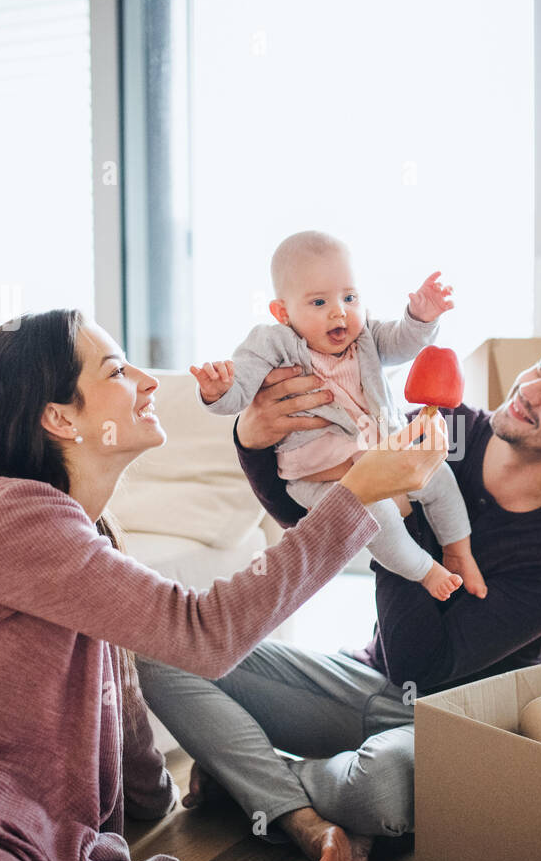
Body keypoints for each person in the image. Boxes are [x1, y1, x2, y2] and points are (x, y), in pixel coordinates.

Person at [0, 308, 447, 861]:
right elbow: (203, 634)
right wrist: (354, 494)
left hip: (58, 850)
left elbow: (119, 683)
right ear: (60, 417)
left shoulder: (78, 529)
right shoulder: (4, 513)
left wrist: (161, 795)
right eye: (118, 370)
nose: (149, 383)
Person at [137, 322, 541, 861]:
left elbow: (425, 664)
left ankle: (243, 776)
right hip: (360, 680)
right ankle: (296, 813)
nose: (531, 390)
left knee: (377, 787)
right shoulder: (446, 428)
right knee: (163, 649)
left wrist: (398, 507)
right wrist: (250, 440)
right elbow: (307, 517)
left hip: (447, 719)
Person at [193, 230, 484, 600]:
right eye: (318, 302)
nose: (339, 311)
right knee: (377, 515)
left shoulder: (364, 337)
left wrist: (420, 318)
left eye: (349, 297)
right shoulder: (272, 343)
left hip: (382, 455)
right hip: (320, 476)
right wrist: (218, 390)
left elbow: (402, 343)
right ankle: (425, 571)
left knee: (440, 476)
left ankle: (459, 551)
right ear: (283, 312)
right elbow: (240, 390)